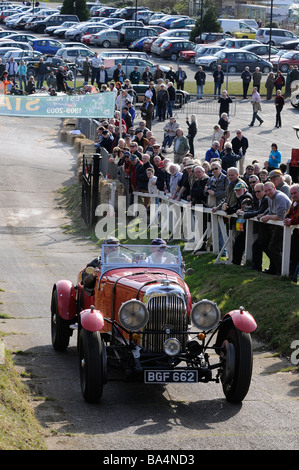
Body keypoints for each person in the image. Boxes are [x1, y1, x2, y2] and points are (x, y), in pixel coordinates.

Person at [256, 181, 291, 275]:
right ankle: (274, 269)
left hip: (284, 226)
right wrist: (264, 214)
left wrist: (267, 217)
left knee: (273, 248)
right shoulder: (270, 197)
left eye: (269, 190)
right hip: (277, 226)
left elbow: (281, 216)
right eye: (266, 191)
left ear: (274, 188)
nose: (268, 192)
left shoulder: (280, 197)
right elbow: (270, 210)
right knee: (267, 245)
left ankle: (282, 272)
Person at [284, 184, 299, 281]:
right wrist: (287, 219)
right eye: (291, 194)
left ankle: (293, 276)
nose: (293, 196)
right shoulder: (294, 203)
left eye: (295, 193)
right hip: (296, 233)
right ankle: (291, 276)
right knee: (293, 255)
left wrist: (291, 221)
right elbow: (288, 214)